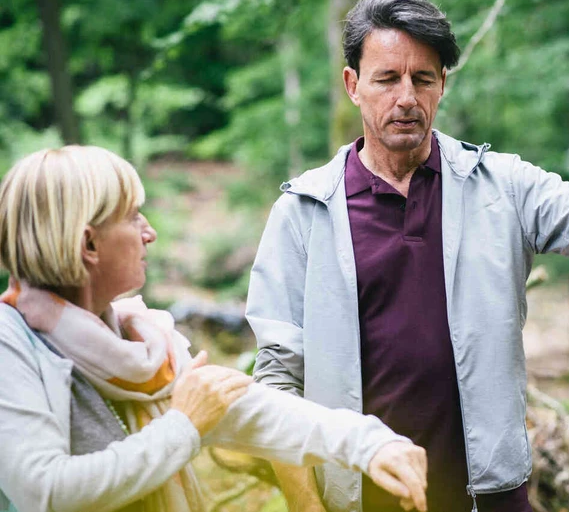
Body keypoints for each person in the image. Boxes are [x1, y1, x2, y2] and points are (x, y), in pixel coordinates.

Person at [245, 0, 569, 512]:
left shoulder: (502, 187)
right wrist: (307, 504)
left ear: (442, 84)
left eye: (423, 79)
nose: (407, 97)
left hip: (492, 498)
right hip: (359, 499)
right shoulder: (305, 212)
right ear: (353, 85)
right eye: (387, 79)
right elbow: (277, 381)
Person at [0, 145, 430, 512]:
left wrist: (370, 444)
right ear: (89, 244)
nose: (149, 232)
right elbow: (45, 490)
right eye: (132, 217)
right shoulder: (12, 342)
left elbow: (251, 411)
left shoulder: (142, 339)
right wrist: (183, 426)